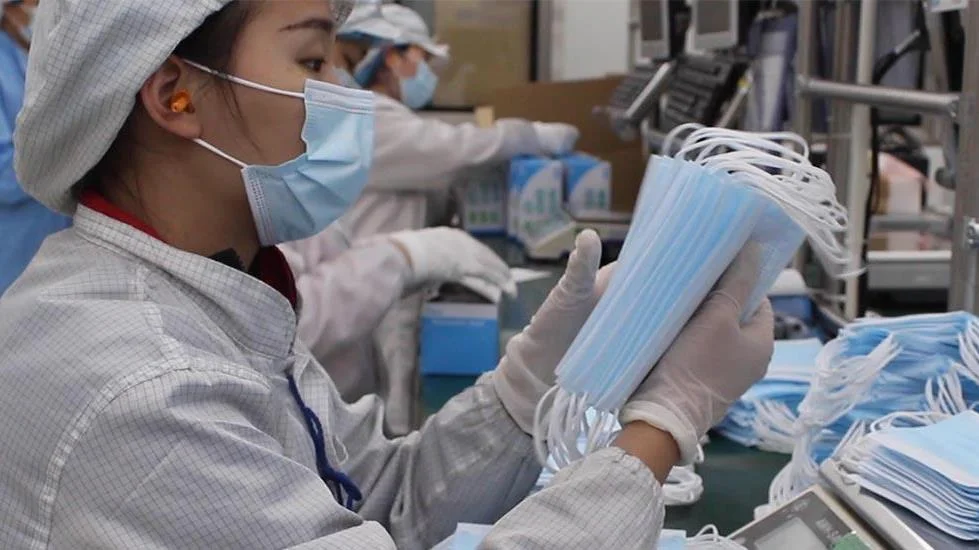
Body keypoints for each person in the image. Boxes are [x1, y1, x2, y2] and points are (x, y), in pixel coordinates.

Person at [0, 2, 773, 549]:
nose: (345, 92)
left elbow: (384, 503)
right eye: (310, 60)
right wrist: (663, 426)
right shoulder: (141, 383)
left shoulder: (220, 301)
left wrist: (524, 385)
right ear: (175, 94)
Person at [339, 3, 583, 434]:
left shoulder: (383, 114)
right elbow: (451, 150)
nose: (428, 71)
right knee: (381, 420)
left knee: (390, 405)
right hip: (369, 288)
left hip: (385, 286)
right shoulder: (364, 116)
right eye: (422, 58)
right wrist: (528, 135)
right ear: (392, 55)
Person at [0, 0, 70, 295]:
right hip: (17, 249)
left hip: (57, 244)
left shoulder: (40, 52)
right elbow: (5, 175)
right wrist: (72, 150)